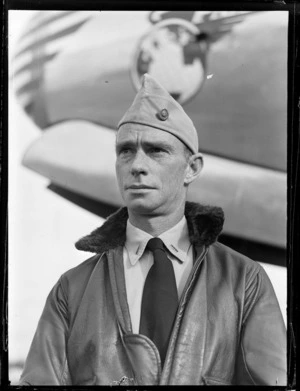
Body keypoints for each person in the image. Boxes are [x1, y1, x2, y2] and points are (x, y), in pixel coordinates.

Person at [19, 74, 286, 386]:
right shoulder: (72, 290)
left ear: (193, 168)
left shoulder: (243, 281)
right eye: (126, 151)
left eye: (156, 150)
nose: (137, 165)